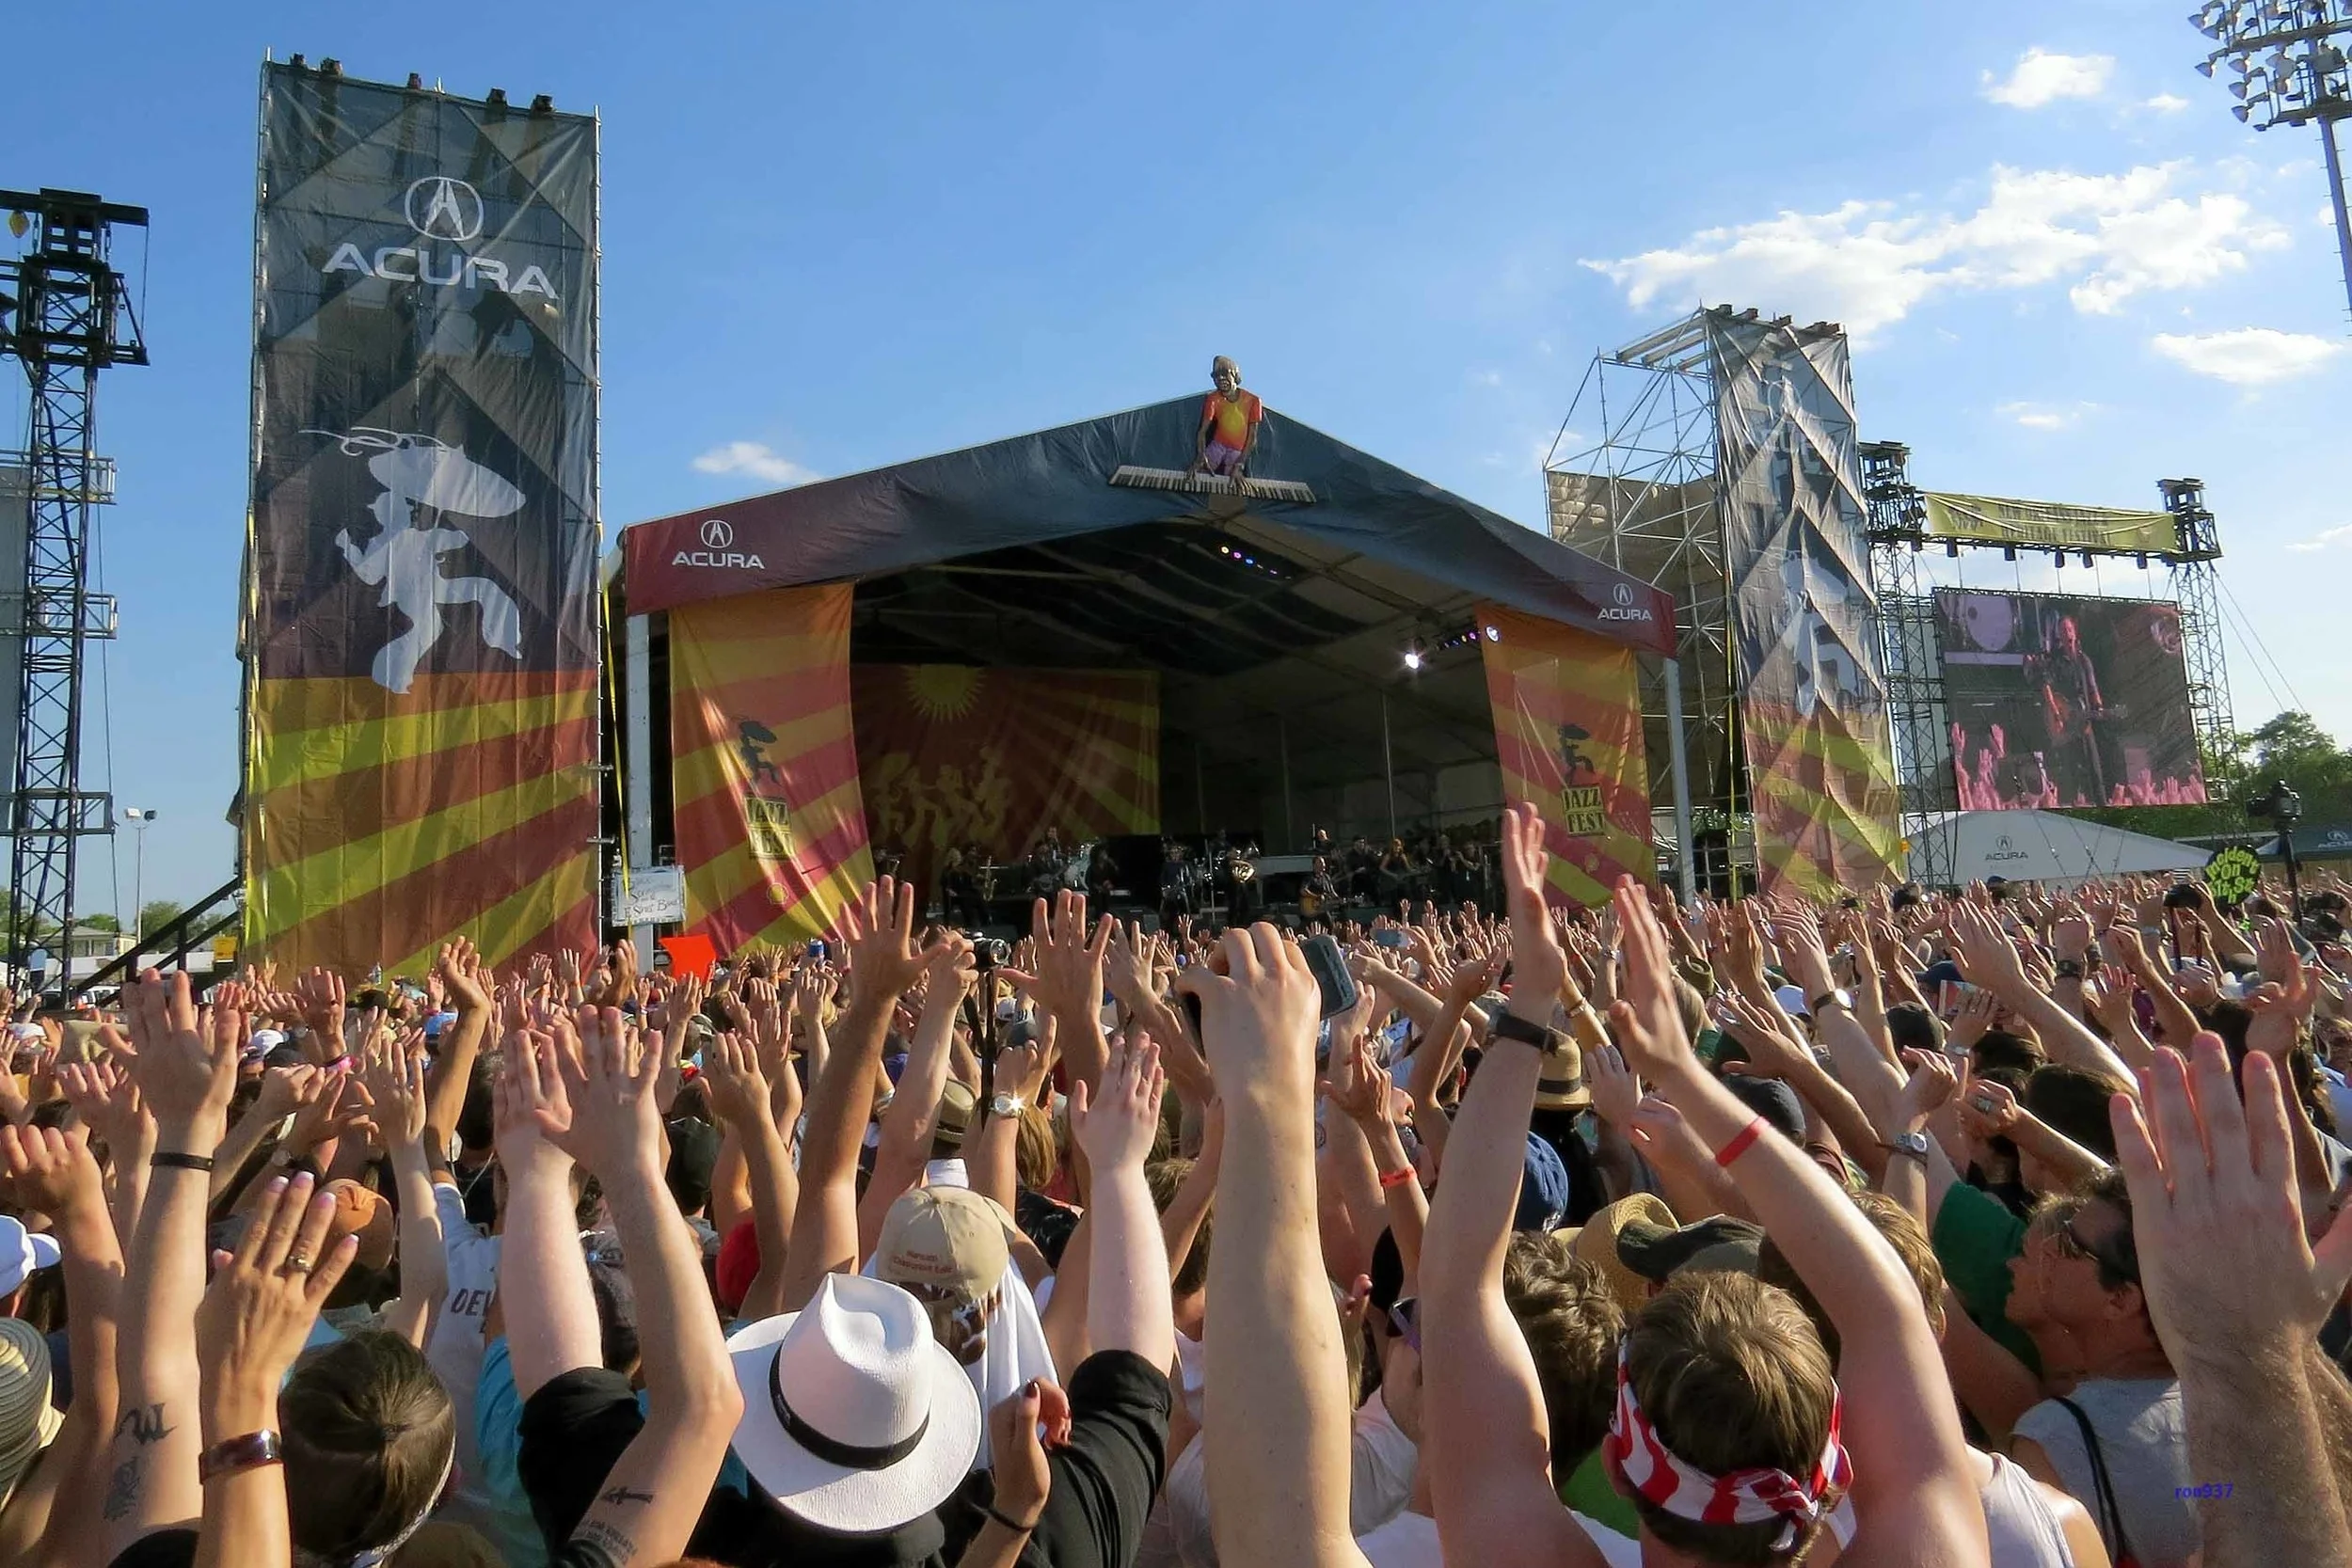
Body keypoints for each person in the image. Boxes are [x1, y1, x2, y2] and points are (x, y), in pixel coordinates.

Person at [1188, 357, 1262, 483]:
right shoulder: (1212, 399)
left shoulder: (1253, 401)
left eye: (1224, 373)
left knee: (1232, 484)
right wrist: (1201, 455)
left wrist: (1240, 463)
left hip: (1237, 451)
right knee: (1198, 477)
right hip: (1217, 446)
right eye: (1216, 375)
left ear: (1235, 375)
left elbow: (1252, 437)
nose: (1220, 378)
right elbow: (1202, 431)